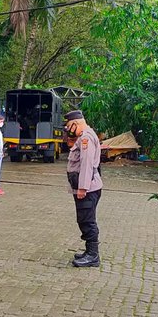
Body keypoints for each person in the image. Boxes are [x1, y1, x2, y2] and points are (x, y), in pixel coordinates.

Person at [64, 110, 103, 267]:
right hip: (87, 187)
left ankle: (93, 256)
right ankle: (89, 252)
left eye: (69, 126)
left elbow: (87, 164)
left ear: (76, 123)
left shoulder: (86, 137)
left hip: (87, 189)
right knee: (84, 219)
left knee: (87, 221)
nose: (68, 130)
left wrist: (83, 187)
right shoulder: (84, 136)